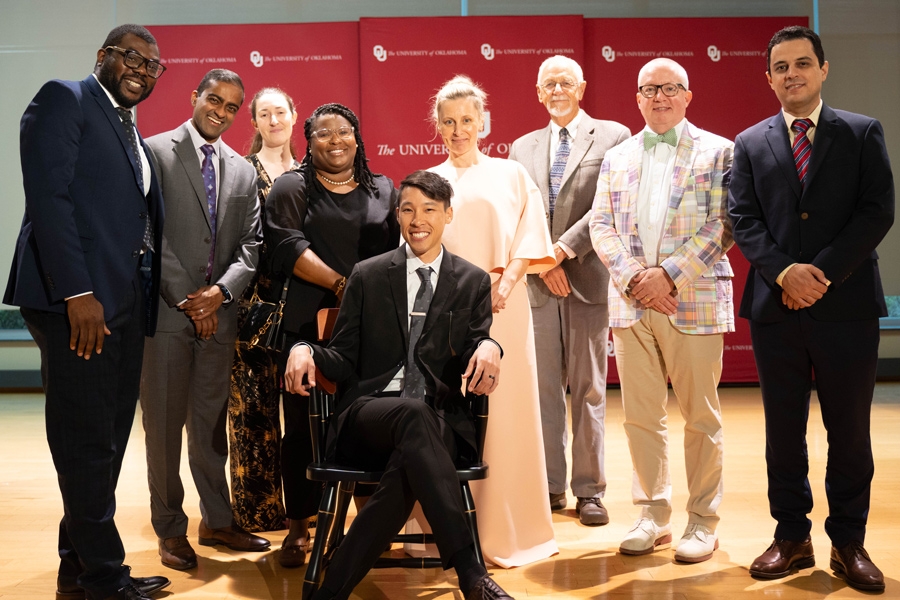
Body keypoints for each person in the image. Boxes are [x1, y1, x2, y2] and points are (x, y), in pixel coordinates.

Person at [284, 170, 513, 600]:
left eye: (429, 209)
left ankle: (327, 592)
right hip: (369, 415)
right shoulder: (368, 275)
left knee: (409, 459)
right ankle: (470, 571)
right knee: (412, 415)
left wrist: (490, 345)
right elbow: (343, 356)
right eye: (407, 209)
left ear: (448, 214)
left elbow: (471, 349)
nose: (417, 219)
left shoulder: (472, 281)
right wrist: (305, 348)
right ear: (397, 215)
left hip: (435, 423)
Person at [4, 24, 170, 600]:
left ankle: (78, 564)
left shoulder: (130, 131)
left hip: (123, 306)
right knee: (85, 440)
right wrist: (77, 292)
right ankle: (104, 576)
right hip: (76, 304)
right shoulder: (64, 98)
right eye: (133, 58)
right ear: (102, 56)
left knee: (107, 437)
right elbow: (48, 200)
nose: (143, 71)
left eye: (153, 67)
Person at [728, 26, 894, 592]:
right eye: (781, 66)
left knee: (849, 432)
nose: (791, 73)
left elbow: (876, 212)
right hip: (777, 309)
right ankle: (791, 538)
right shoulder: (750, 142)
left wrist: (818, 274)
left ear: (823, 70)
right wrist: (783, 272)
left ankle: (849, 543)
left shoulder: (861, 132)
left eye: (802, 63)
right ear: (768, 77)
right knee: (783, 432)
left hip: (845, 307)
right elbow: (744, 220)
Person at [589, 58, 734, 564]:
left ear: (688, 95)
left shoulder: (720, 151)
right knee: (640, 419)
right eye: (649, 89)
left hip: (691, 298)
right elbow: (600, 225)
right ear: (637, 98)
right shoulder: (619, 155)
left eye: (670, 88)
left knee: (701, 418)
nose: (659, 97)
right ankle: (653, 514)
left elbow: (723, 224)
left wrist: (667, 274)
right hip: (631, 305)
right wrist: (635, 279)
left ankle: (702, 521)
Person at [141, 68, 267, 572]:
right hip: (169, 318)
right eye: (214, 100)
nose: (221, 111)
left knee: (213, 429)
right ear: (195, 98)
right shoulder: (154, 151)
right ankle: (170, 528)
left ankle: (217, 519)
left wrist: (219, 294)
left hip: (220, 316)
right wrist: (190, 300)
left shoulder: (241, 168)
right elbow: (149, 232)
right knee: (165, 429)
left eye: (232, 106)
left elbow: (252, 245)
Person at [428, 75, 558, 567]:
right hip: (446, 317)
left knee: (506, 418)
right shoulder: (430, 180)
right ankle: (449, 527)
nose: (458, 129)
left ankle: (510, 528)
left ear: (483, 121)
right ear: (436, 125)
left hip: (506, 310)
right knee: (448, 414)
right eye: (448, 121)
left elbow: (531, 235)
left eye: (467, 120)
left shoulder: (512, 174)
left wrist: (506, 284)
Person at [265, 102, 400, 568]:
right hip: (307, 326)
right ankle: (300, 527)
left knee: (366, 421)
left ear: (358, 138)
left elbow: (395, 252)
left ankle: (366, 522)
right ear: (309, 141)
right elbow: (287, 247)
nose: (336, 140)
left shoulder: (383, 187)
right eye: (324, 133)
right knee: (302, 427)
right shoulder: (291, 187)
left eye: (345, 132)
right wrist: (344, 286)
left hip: (371, 326)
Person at [509, 55, 630, 526]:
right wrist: (542, 264)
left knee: (589, 391)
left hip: (586, 281)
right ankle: (550, 486)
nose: (556, 89)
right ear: (538, 92)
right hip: (540, 285)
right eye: (547, 84)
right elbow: (523, 212)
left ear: (581, 86)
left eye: (565, 82)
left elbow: (607, 205)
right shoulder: (522, 147)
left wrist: (561, 251)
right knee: (542, 393)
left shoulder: (613, 136)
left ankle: (589, 491)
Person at [228, 87, 299, 533]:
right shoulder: (240, 171)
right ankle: (257, 512)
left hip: (308, 311)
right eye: (264, 114)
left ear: (295, 116)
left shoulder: (314, 171)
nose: (274, 120)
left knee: (305, 416)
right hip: (252, 310)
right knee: (253, 415)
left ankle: (304, 512)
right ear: (253, 122)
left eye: (281, 112)